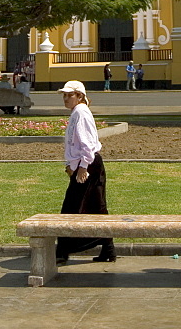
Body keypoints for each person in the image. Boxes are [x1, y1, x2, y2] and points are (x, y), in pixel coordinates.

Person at [55, 80, 116, 265]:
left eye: (69, 95)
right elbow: (75, 143)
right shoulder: (77, 113)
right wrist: (71, 164)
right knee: (96, 206)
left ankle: (63, 251)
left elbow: (87, 143)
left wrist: (82, 167)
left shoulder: (81, 112)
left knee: (72, 207)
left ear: (80, 96)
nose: (66, 99)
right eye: (64, 95)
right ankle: (108, 248)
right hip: (84, 164)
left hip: (88, 166)